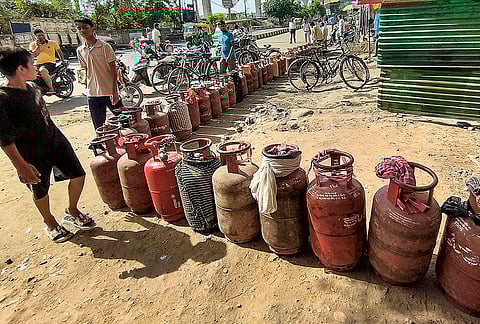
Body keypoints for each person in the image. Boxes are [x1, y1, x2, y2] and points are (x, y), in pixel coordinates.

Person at [0, 47, 95, 243]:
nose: (37, 67)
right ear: (20, 68)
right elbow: (5, 139)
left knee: (78, 174)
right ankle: (50, 222)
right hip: (30, 151)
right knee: (40, 189)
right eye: (32, 63)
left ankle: (72, 209)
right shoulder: (4, 98)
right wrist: (22, 166)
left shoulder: (33, 87)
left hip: (54, 140)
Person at [75, 17, 122, 130]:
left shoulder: (105, 47)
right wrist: (86, 86)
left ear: (92, 28)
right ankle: (102, 146)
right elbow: (84, 70)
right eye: (79, 28)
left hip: (109, 91)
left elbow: (113, 70)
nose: (82, 31)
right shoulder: (80, 50)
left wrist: (115, 92)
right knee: (98, 126)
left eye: (85, 27)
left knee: (124, 120)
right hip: (93, 94)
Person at [29, 29, 64, 95]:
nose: (41, 37)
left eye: (42, 35)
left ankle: (51, 88)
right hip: (37, 64)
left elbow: (59, 52)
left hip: (49, 63)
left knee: (42, 70)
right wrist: (37, 46)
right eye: (39, 36)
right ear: (35, 37)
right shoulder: (32, 45)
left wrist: (62, 60)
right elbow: (33, 55)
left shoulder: (52, 43)